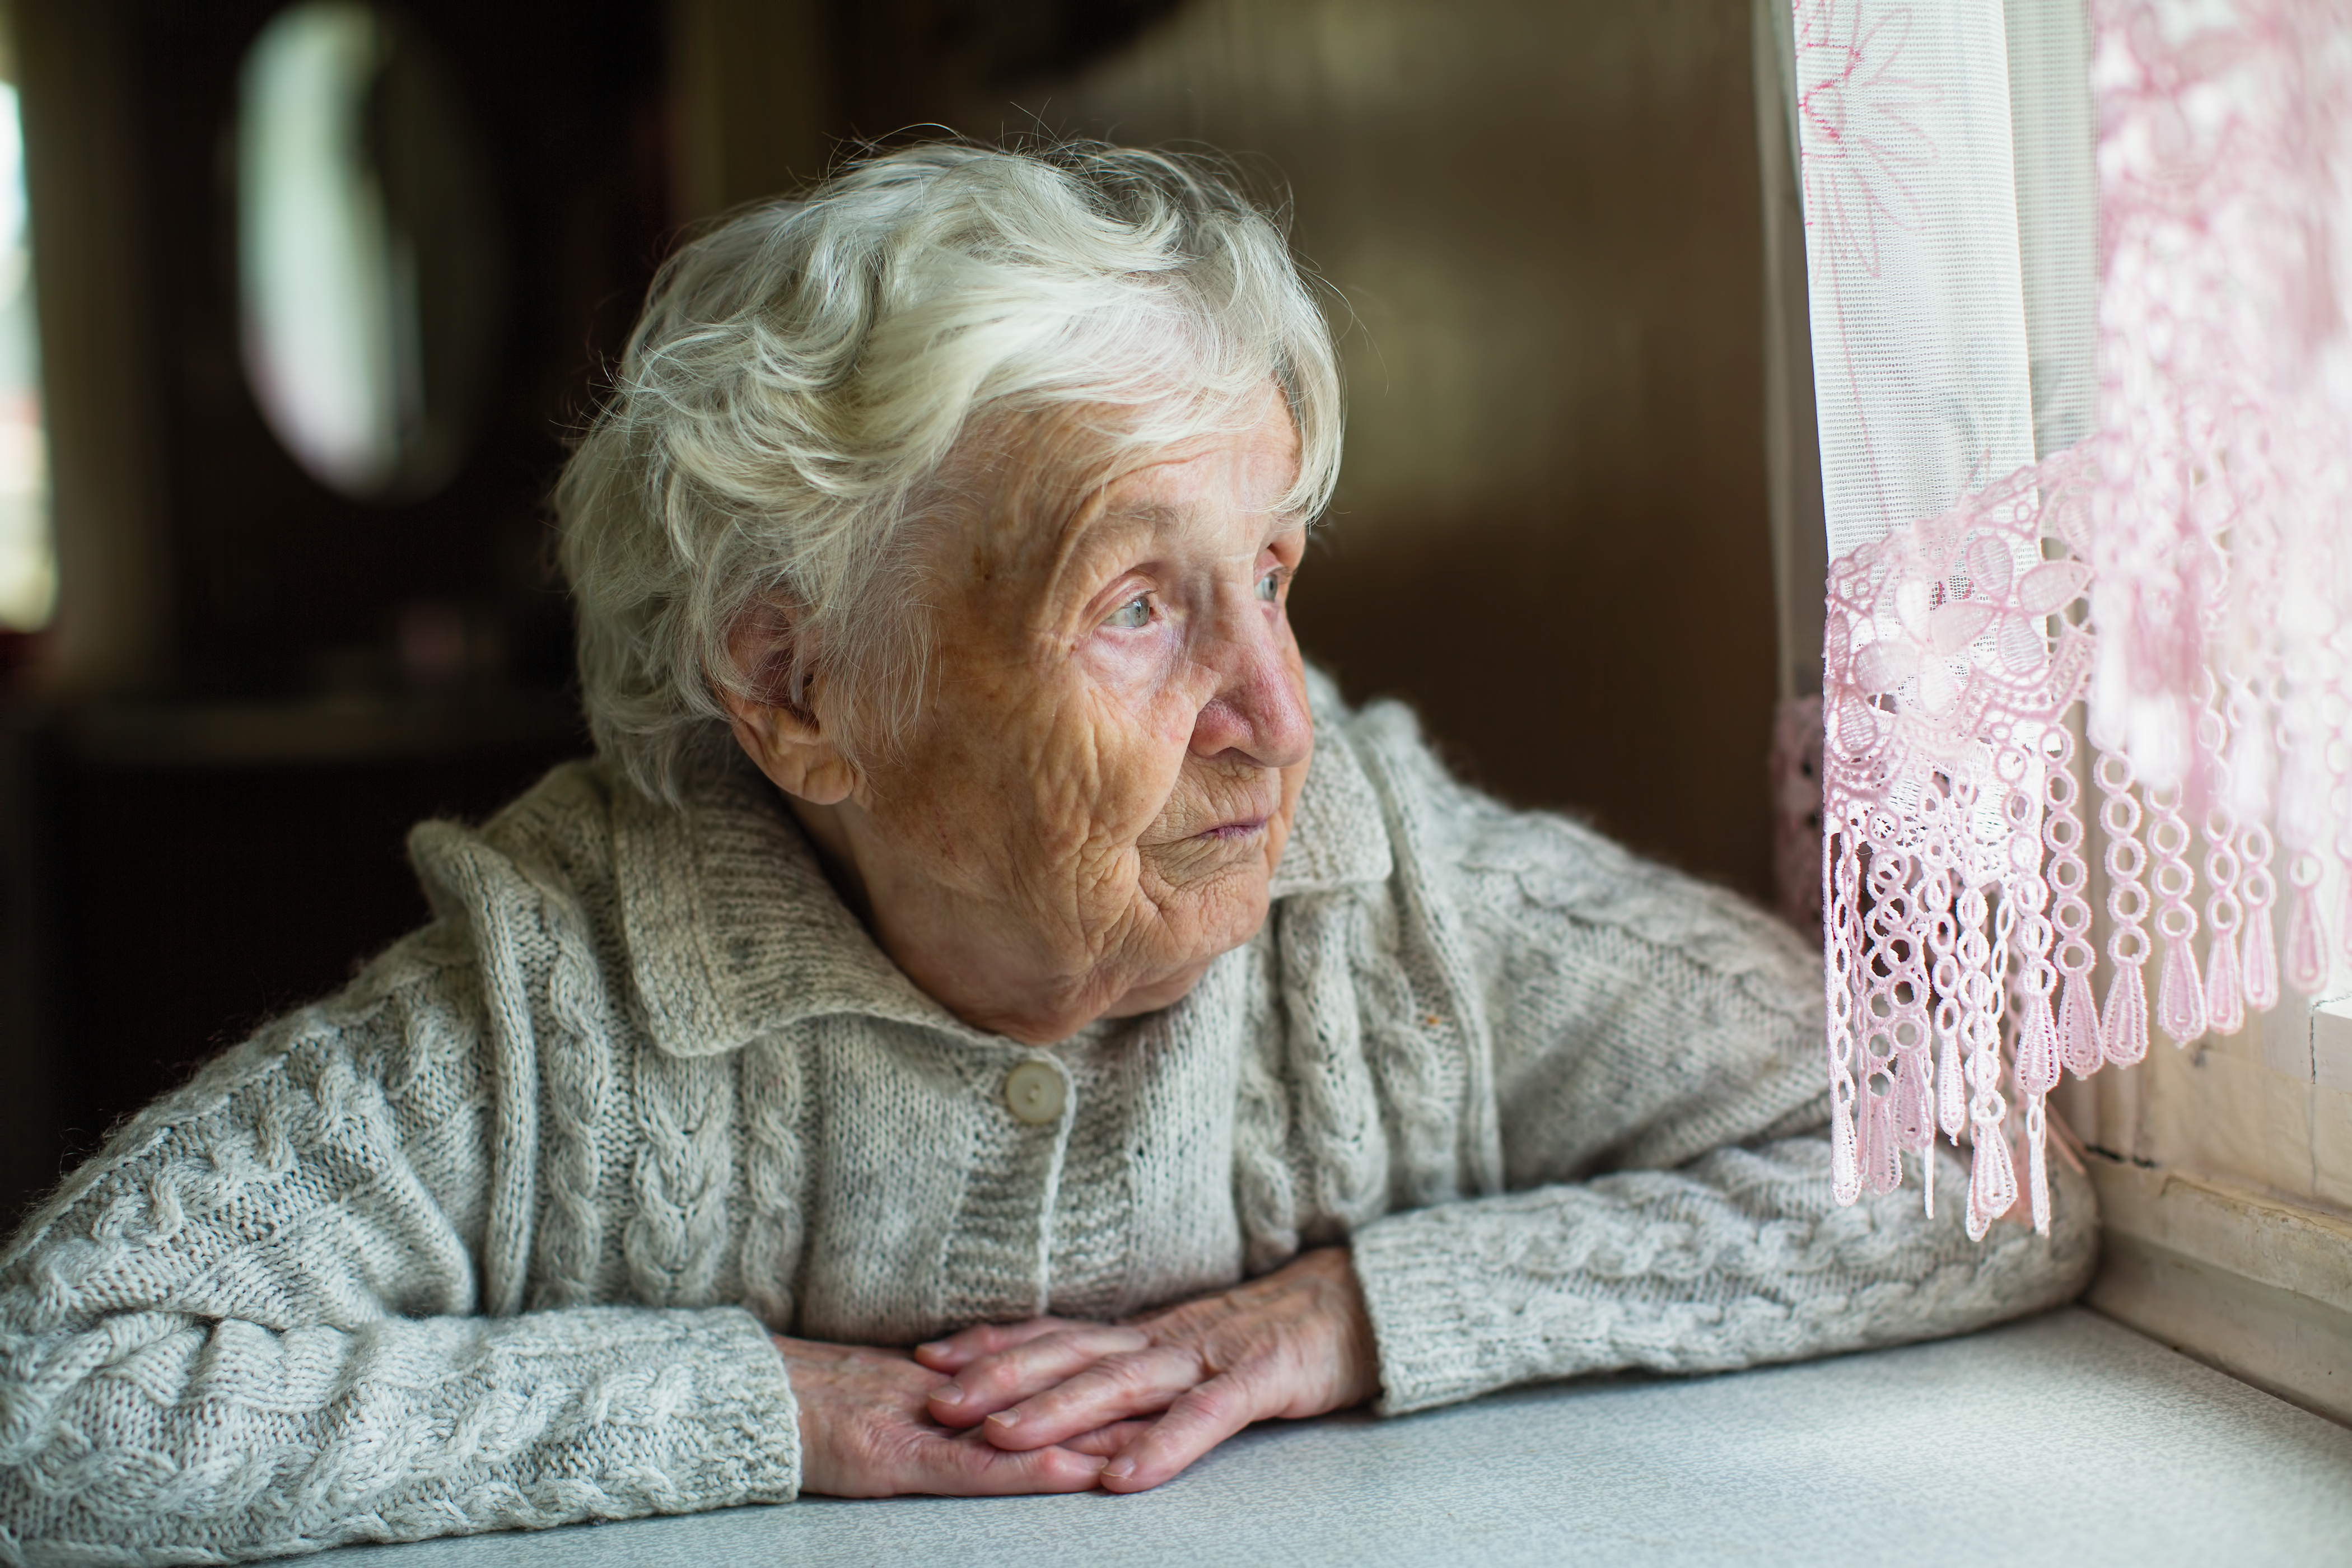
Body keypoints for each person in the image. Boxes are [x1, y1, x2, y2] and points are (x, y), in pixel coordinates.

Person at [0, 143, 2094, 1562]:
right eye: (1135, 606)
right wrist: (766, 1412)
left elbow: (1976, 1171)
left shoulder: (1384, 891)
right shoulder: (572, 995)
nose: (1276, 716)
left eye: (1269, 576)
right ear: (798, 689)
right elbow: (56, 1396)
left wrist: (1347, 1317)